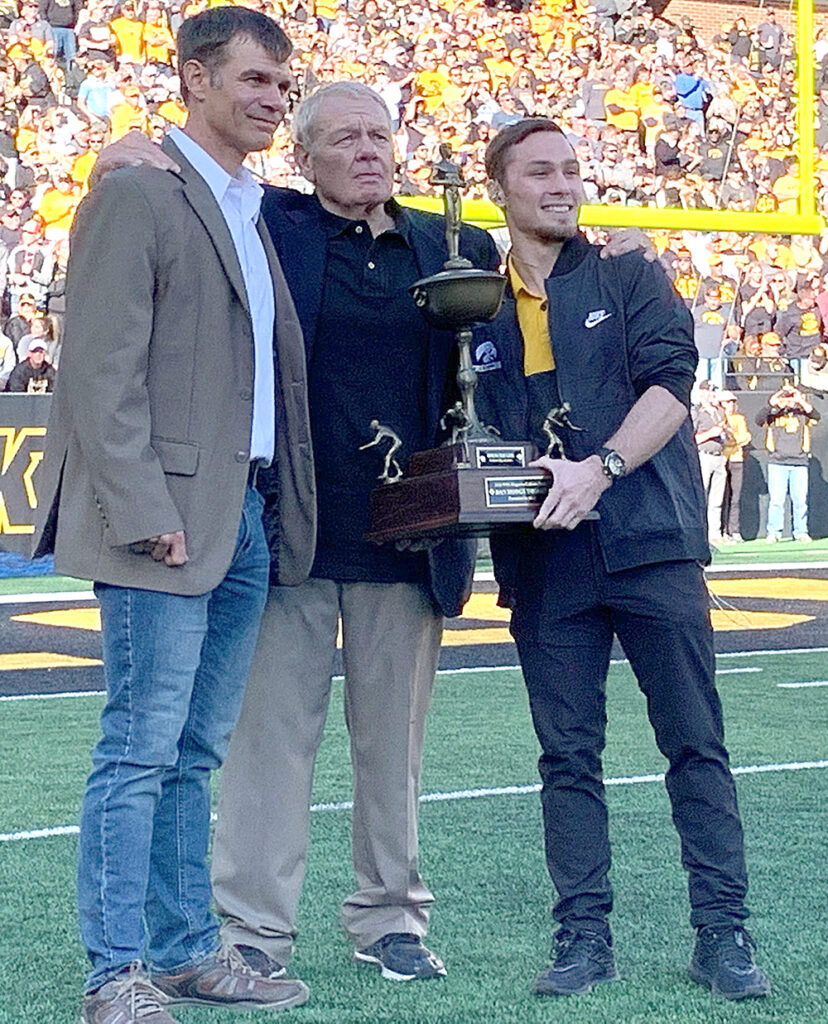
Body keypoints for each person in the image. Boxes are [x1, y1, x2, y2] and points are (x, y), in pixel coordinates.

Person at [31, 9, 315, 1023]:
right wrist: (144, 507)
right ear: (194, 78)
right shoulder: (139, 191)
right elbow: (99, 372)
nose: (275, 100)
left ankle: (189, 953)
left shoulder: (247, 204)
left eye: (283, 84)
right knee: (140, 751)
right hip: (166, 518)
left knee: (193, 753)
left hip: (242, 512)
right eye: (255, 80)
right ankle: (115, 975)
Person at [474, 117, 769, 1001]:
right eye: (540, 172)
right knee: (567, 758)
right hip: (545, 559)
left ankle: (723, 934)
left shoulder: (629, 272)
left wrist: (598, 469)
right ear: (499, 190)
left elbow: (671, 388)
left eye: (571, 170)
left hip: (649, 545)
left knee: (695, 743)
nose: (562, 185)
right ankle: (583, 938)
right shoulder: (478, 305)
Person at [756, 385, 821, 542]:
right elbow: (758, 420)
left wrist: (800, 400)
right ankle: (774, 532)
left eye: (791, 396)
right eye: (786, 396)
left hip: (800, 462)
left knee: (800, 501)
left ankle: (801, 532)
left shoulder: (803, 414)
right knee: (776, 501)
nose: (789, 400)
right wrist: (773, 403)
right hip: (777, 462)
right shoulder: (773, 415)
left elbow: (816, 416)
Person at [692, 380, 729, 545]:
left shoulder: (719, 412)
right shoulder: (696, 412)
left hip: (719, 455)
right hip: (704, 456)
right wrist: (710, 433)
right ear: (703, 393)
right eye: (710, 391)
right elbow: (691, 439)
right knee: (702, 496)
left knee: (717, 499)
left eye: (714, 391)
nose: (713, 394)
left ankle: (715, 533)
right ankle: (700, 533)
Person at [719, 390, 751, 542]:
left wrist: (732, 437)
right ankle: (722, 530)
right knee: (721, 497)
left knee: (735, 497)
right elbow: (721, 440)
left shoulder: (739, 418)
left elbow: (744, 437)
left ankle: (734, 530)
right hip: (722, 459)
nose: (730, 405)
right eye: (727, 402)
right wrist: (732, 440)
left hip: (737, 459)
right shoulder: (718, 417)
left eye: (732, 402)